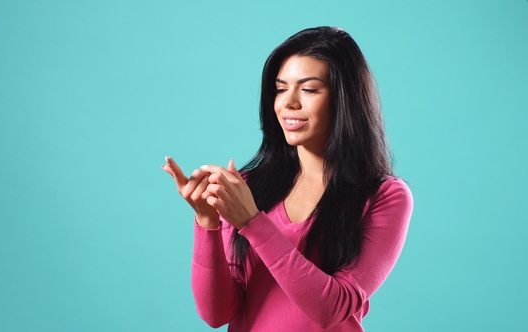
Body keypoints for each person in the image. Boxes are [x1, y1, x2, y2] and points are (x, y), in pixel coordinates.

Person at [162, 26, 413, 331]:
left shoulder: (385, 196)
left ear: (345, 99)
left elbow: (331, 308)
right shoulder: (248, 186)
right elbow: (216, 314)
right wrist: (206, 222)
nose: (288, 103)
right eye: (281, 89)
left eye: (308, 89)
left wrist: (252, 222)